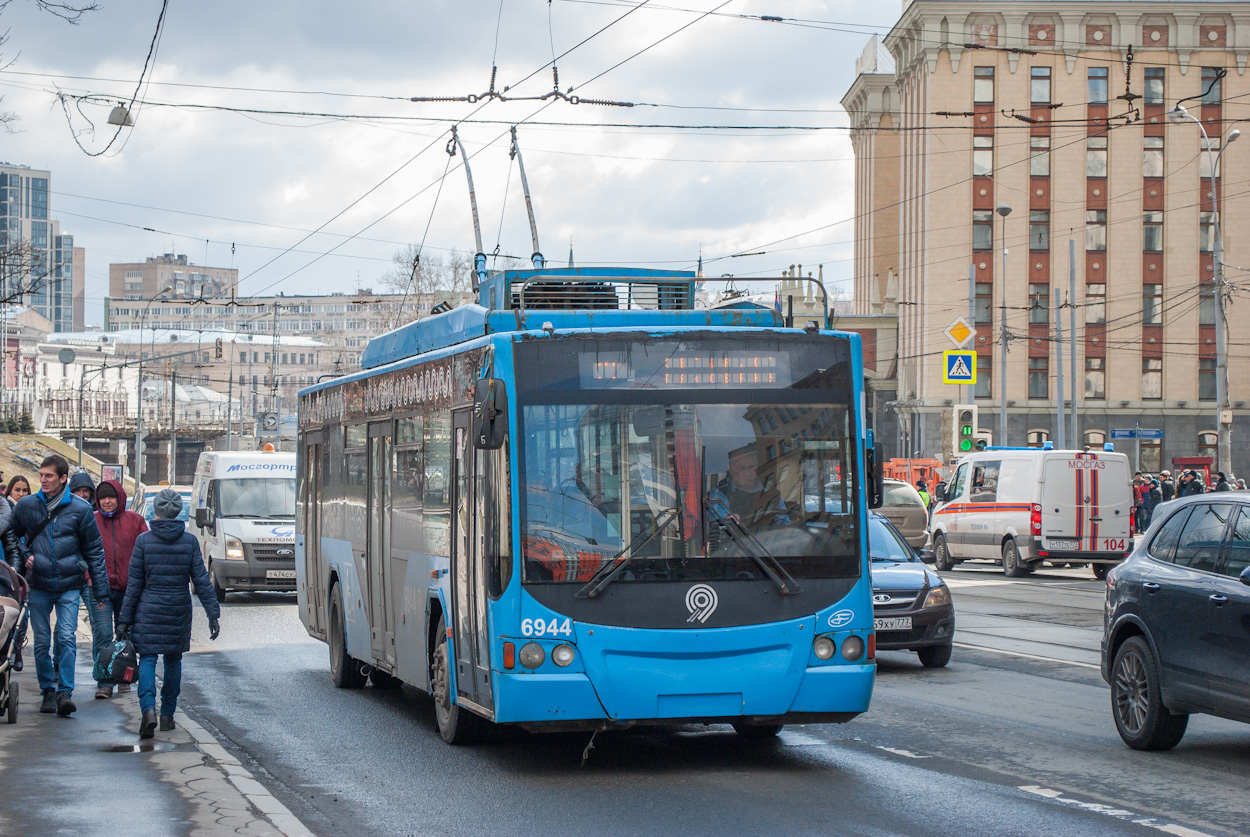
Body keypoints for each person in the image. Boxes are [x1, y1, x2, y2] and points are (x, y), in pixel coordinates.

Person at [11, 455, 108, 717]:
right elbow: (13, 532)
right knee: (41, 642)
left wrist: (100, 591)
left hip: (69, 584)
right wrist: (24, 552)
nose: (42, 479)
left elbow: (94, 551)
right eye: (41, 475)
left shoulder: (80, 509)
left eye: (49, 476)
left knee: (66, 637)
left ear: (63, 478)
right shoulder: (27, 505)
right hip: (39, 584)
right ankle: (48, 691)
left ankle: (65, 691)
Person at [118, 489, 220, 739]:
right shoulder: (189, 542)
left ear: (157, 512)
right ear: (176, 513)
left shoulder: (143, 542)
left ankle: (147, 710)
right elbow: (202, 581)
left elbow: (134, 585)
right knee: (173, 661)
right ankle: (167, 716)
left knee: (149, 660)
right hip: (178, 608)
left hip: (148, 609)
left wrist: (124, 620)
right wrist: (212, 614)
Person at [91, 479, 148, 699]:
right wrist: (88, 576)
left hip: (129, 589)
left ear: (120, 498)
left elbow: (145, 553)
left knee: (127, 636)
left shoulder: (136, 521)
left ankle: (125, 678)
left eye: (111, 497)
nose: (106, 501)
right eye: (103, 497)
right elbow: (80, 551)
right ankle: (104, 681)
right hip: (99, 589)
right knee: (103, 634)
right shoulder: (91, 521)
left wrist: (140, 582)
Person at [707, 449, 790, 529]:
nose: (747, 473)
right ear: (731, 470)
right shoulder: (719, 494)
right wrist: (727, 517)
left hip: (765, 541)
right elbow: (717, 511)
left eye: (751, 467)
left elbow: (784, 522)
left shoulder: (771, 493)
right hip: (734, 542)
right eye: (742, 468)